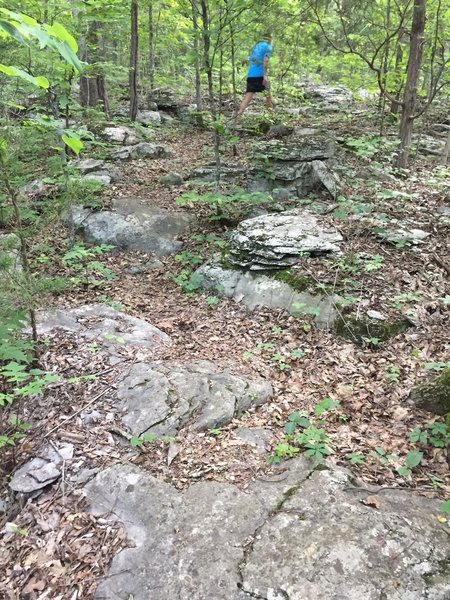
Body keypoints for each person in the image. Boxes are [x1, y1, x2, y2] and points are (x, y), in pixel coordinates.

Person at [236, 35, 273, 117]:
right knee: (268, 94)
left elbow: (250, 60)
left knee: (248, 97)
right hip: (260, 75)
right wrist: (265, 75)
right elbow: (266, 61)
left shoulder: (255, 48)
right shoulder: (268, 47)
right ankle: (271, 115)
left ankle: (238, 115)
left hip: (251, 75)